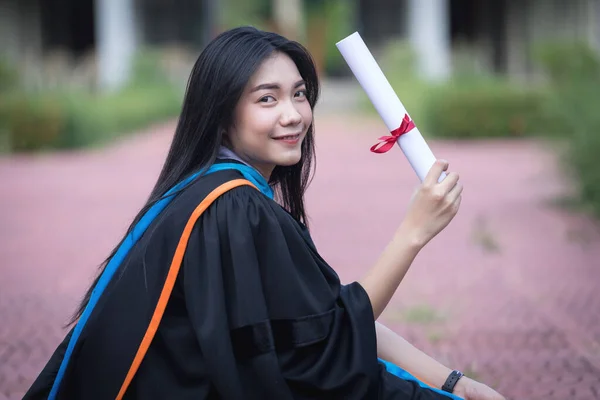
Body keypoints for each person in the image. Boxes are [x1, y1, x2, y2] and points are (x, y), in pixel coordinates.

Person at [23, 26, 505, 400]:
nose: (293, 114)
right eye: (267, 99)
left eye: (298, 94)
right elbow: (329, 345)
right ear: (222, 115)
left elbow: (321, 312)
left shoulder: (206, 191)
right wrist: (413, 233)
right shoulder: (233, 208)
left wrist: (451, 381)